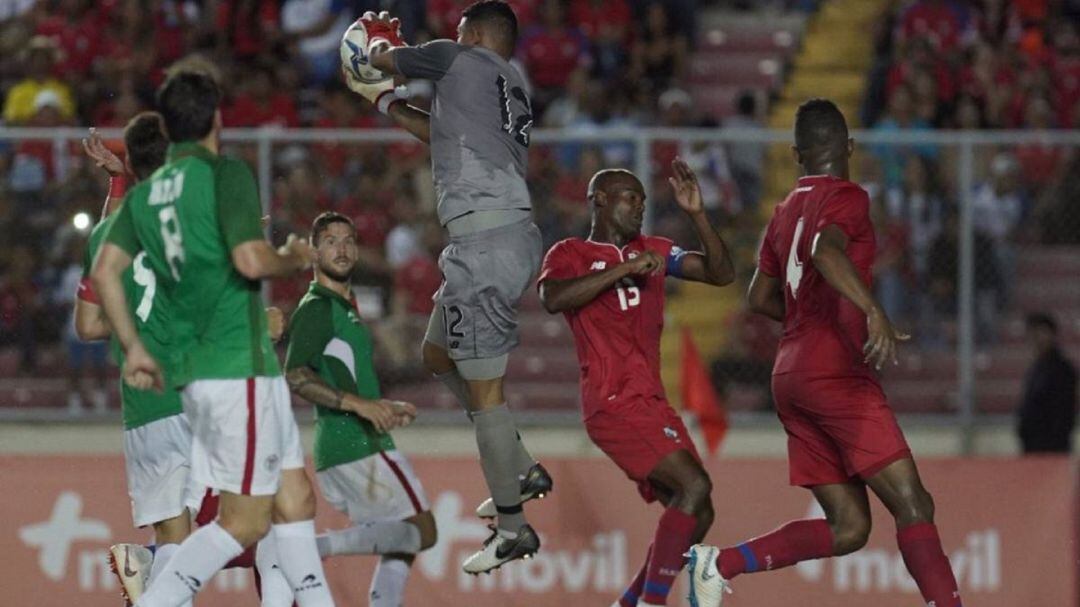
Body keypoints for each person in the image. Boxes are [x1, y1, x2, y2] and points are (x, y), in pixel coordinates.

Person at [686, 99, 962, 607]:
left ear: (796, 155)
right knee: (915, 505)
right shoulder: (849, 197)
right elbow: (826, 252)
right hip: (835, 372)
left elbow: (759, 297)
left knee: (850, 526)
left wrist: (805, 324)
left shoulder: (784, 209)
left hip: (789, 375)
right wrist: (872, 309)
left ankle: (718, 564)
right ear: (849, 147)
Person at [91, 71, 338, 607]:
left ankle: (160, 569)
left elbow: (107, 272)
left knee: (290, 501)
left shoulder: (148, 198)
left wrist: (131, 344)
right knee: (252, 520)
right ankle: (158, 581)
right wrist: (291, 257)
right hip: (237, 367)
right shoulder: (223, 176)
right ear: (217, 120)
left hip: (199, 378)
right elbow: (250, 259)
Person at [342, 2, 550, 573]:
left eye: (459, 28)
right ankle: (522, 468)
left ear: (475, 33)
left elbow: (382, 56)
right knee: (437, 353)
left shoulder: (456, 55)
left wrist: (373, 47)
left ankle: (512, 530)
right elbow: (436, 132)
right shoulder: (506, 81)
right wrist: (384, 101)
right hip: (497, 237)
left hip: (483, 245)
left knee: (486, 398)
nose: (452, 35)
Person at [538, 160, 734, 607]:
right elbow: (553, 298)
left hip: (651, 401)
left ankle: (629, 602)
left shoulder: (656, 249)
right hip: (611, 400)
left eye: (644, 199)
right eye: (631, 197)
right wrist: (620, 271)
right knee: (694, 488)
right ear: (600, 200)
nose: (640, 206)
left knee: (698, 512)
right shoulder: (569, 253)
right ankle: (649, 603)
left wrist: (698, 215)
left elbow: (721, 275)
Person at [284, 212, 433, 607]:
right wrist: (360, 406)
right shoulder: (316, 307)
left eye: (349, 240)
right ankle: (312, 550)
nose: (342, 248)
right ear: (314, 252)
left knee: (398, 540)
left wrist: (381, 405)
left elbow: (343, 374)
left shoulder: (344, 305)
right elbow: (295, 375)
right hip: (356, 443)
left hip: (350, 442)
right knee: (423, 530)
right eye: (330, 240)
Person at [1017, 313, 1078, 453]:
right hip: (1033, 445)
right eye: (1032, 333)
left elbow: (1064, 412)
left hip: (1051, 447)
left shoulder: (1062, 369)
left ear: (1052, 334)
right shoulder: (1036, 367)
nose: (1036, 339)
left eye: (1040, 332)